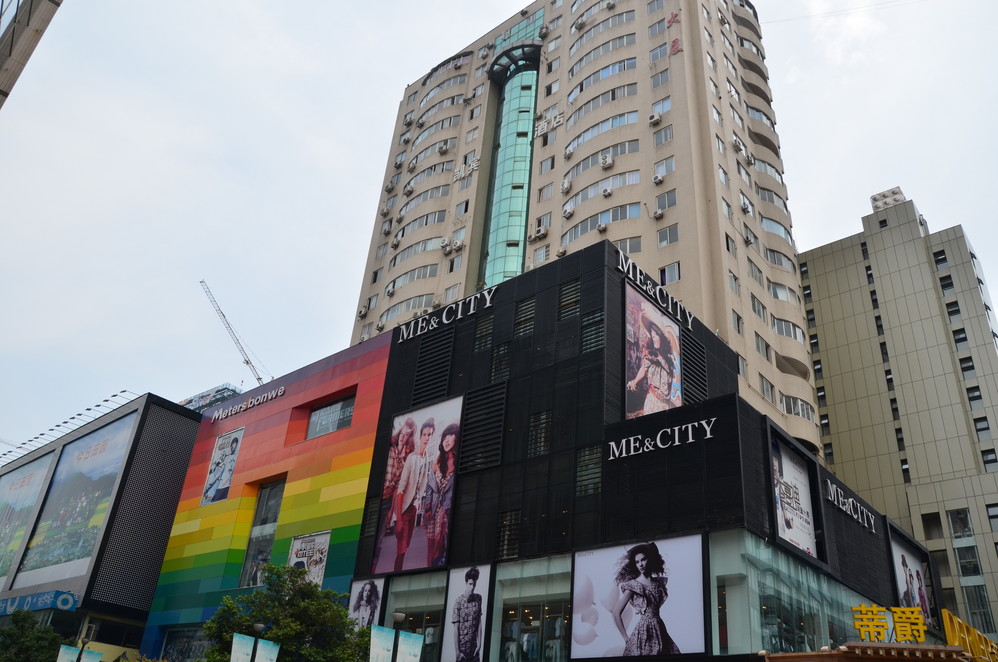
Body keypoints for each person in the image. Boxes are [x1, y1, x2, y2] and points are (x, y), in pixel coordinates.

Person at [612, 542, 679, 656]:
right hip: (644, 632)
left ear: (650, 559)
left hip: (660, 628)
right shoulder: (634, 585)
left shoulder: (658, 583)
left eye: (643, 560)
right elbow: (616, 613)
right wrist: (626, 638)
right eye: (637, 562)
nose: (641, 564)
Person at [393, 418, 435, 571]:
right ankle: (395, 576)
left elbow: (421, 485)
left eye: (430, 434)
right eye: (424, 434)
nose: (427, 437)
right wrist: (398, 519)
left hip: (414, 509)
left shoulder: (426, 457)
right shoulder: (412, 458)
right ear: (420, 436)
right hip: (404, 509)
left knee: (406, 546)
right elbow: (401, 488)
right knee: (401, 549)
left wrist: (418, 504)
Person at [626, 315, 679, 415]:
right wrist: (634, 382)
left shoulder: (668, 360)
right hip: (652, 400)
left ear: (661, 337)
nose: (654, 337)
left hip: (665, 405)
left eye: (656, 334)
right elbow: (643, 368)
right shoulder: (651, 356)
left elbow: (669, 372)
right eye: (652, 334)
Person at [424, 422, 458, 566]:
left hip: (446, 509)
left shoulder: (457, 461)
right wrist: (427, 506)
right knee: (431, 546)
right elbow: (429, 486)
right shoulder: (438, 460)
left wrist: (444, 511)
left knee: (440, 543)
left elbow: (451, 491)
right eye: (445, 436)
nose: (447, 440)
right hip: (433, 508)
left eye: (451, 435)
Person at [452, 567, 483, 662]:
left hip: (474, 651)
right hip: (462, 652)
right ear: (466, 583)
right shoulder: (458, 601)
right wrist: (457, 652)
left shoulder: (478, 599)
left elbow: (479, 623)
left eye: (474, 584)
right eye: (470, 584)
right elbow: (456, 628)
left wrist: (479, 645)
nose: (472, 587)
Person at [771, 442, 794, 534]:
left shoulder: (781, 483)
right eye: (772, 458)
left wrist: (788, 521)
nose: (774, 463)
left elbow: (783, 504)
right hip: (768, 527)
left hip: (780, 529)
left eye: (776, 459)